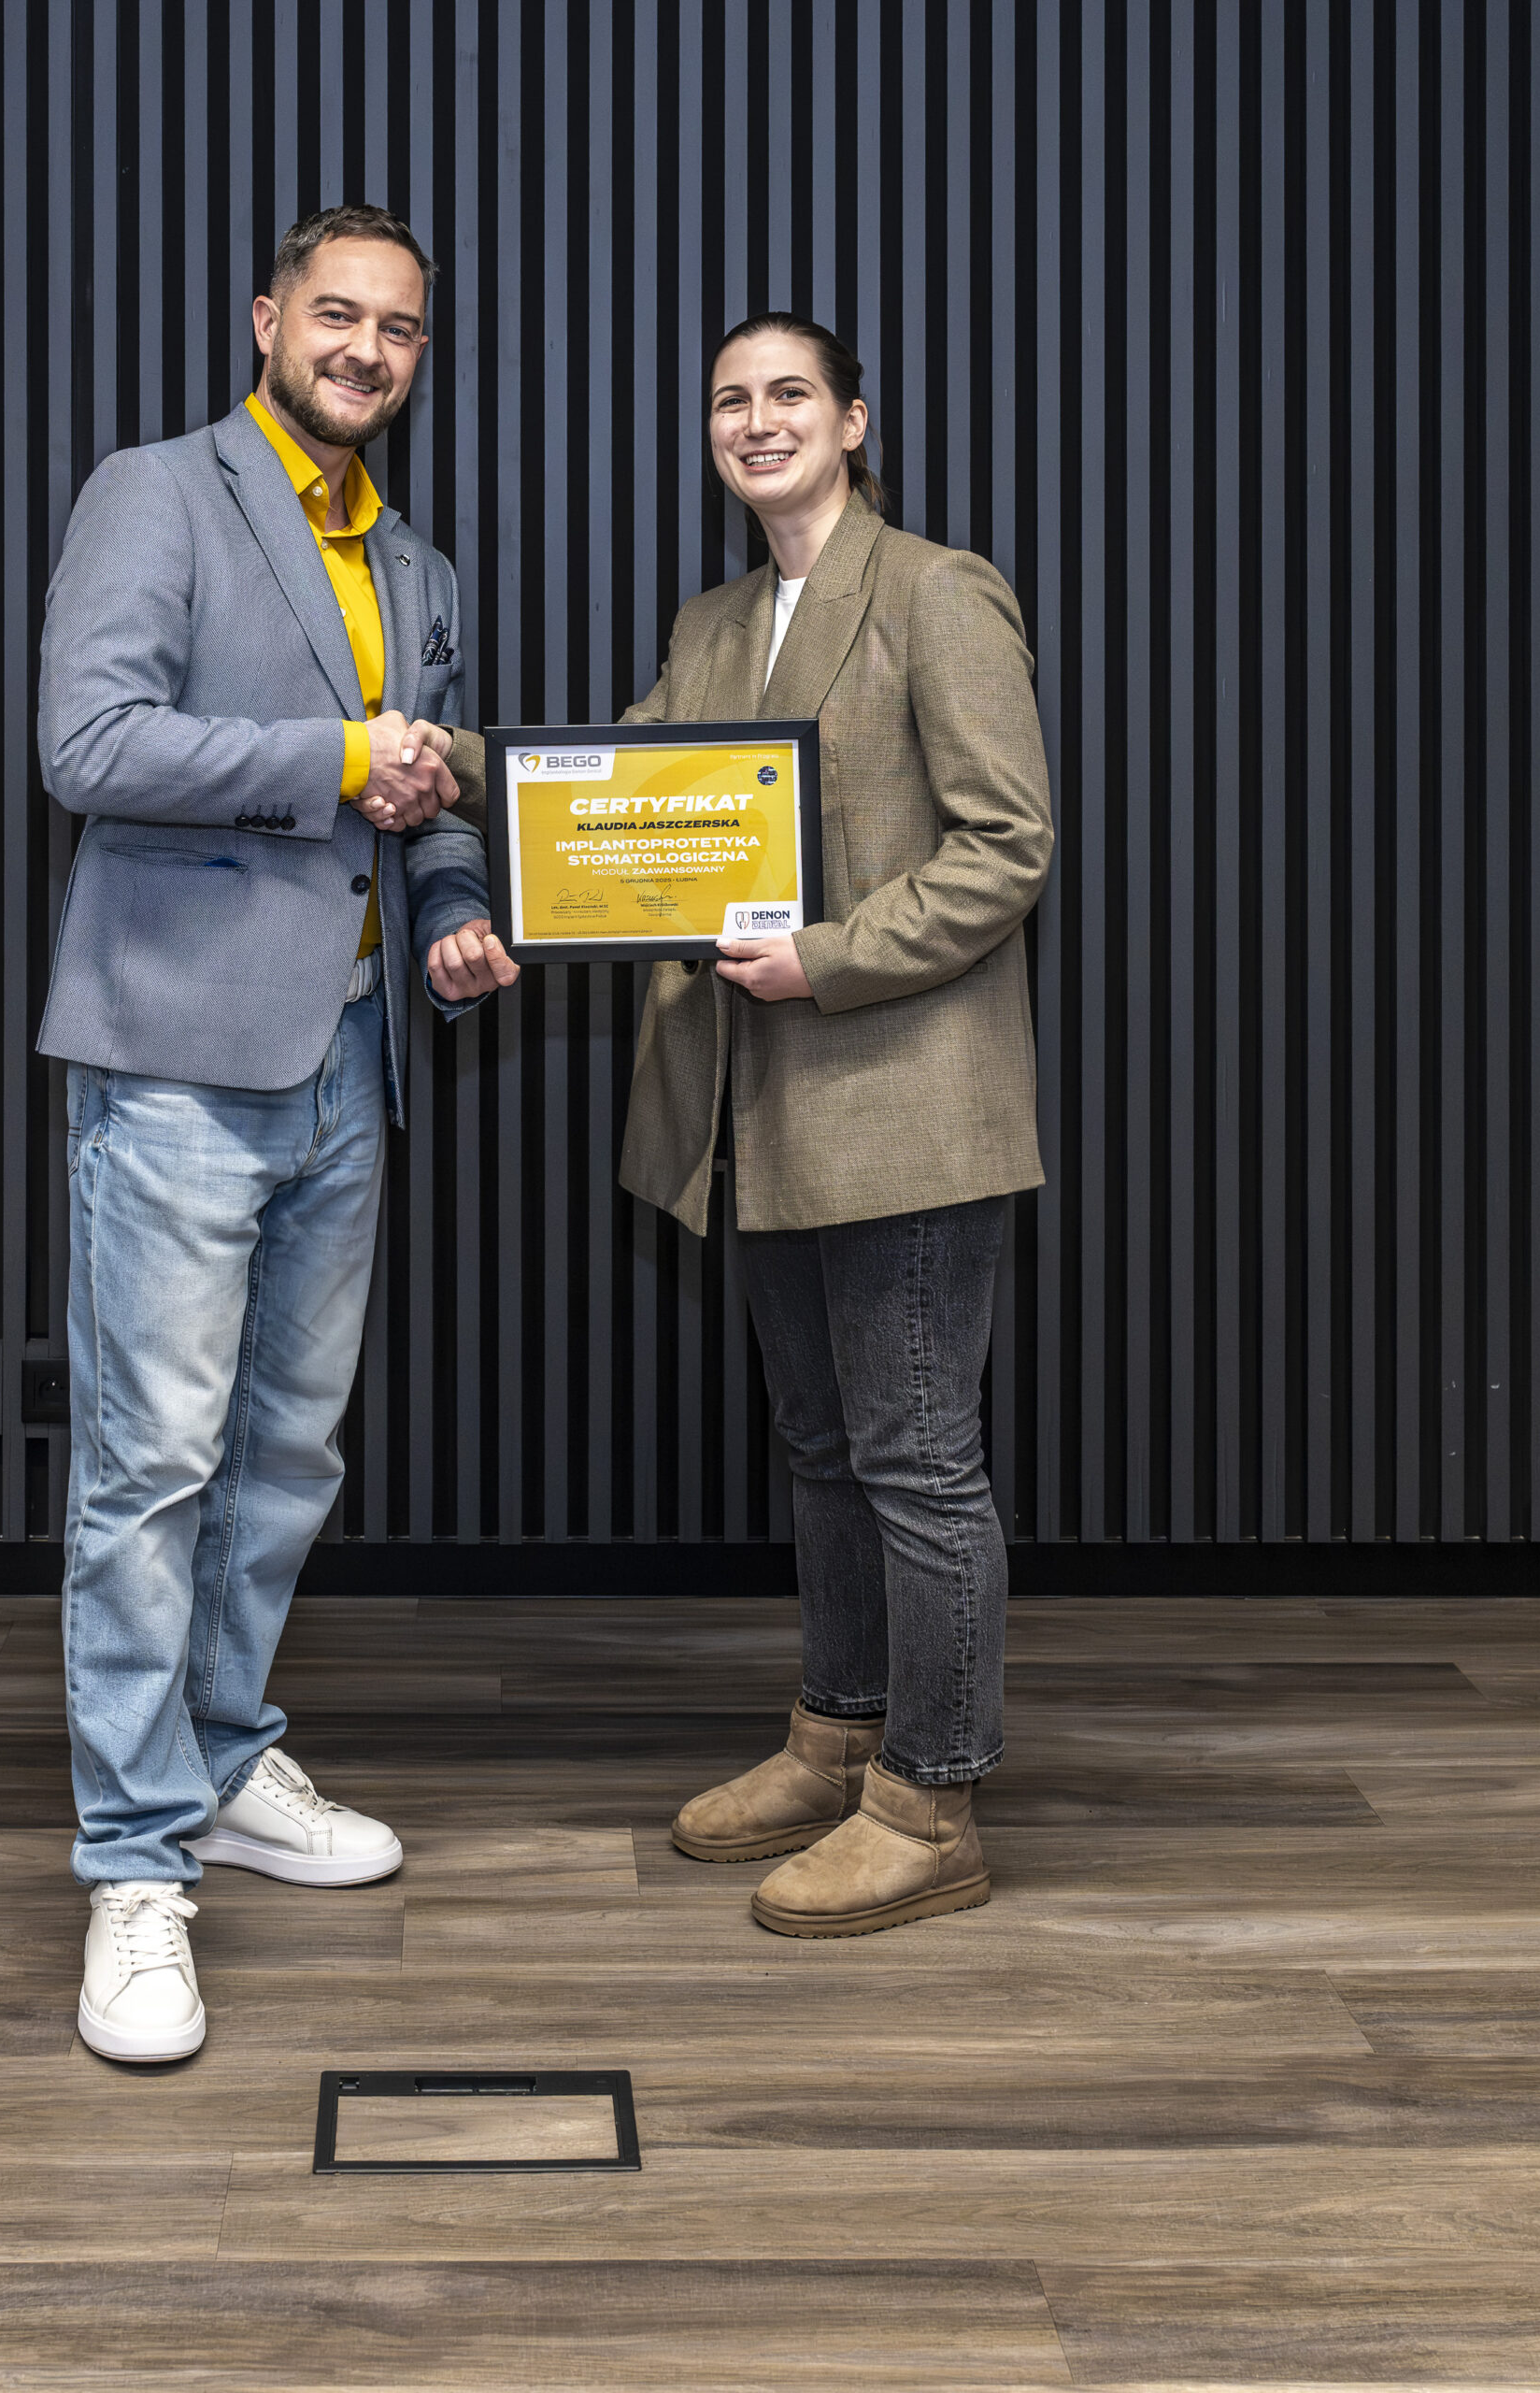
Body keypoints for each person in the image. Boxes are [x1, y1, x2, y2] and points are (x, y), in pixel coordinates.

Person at [36, 203, 518, 2063]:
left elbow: (431, 796)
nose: (367, 348)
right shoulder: (157, 493)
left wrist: (455, 906)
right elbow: (88, 745)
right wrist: (334, 758)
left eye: (399, 327)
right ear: (266, 319)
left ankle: (227, 1760)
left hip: (347, 1064)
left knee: (283, 1457)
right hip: (173, 1059)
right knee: (151, 1470)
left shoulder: (419, 566)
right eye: (338, 313)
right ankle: (131, 1863)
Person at [625, 312, 1055, 1938]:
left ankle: (932, 1803)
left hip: (909, 1110)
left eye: (788, 394)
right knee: (822, 1451)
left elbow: (1007, 846)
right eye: (728, 400)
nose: (757, 421)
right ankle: (839, 1740)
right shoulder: (716, 623)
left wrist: (826, 957)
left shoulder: (939, 591)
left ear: (853, 421)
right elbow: (611, 795)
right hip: (769, 1118)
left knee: (917, 1462)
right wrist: (436, 764)